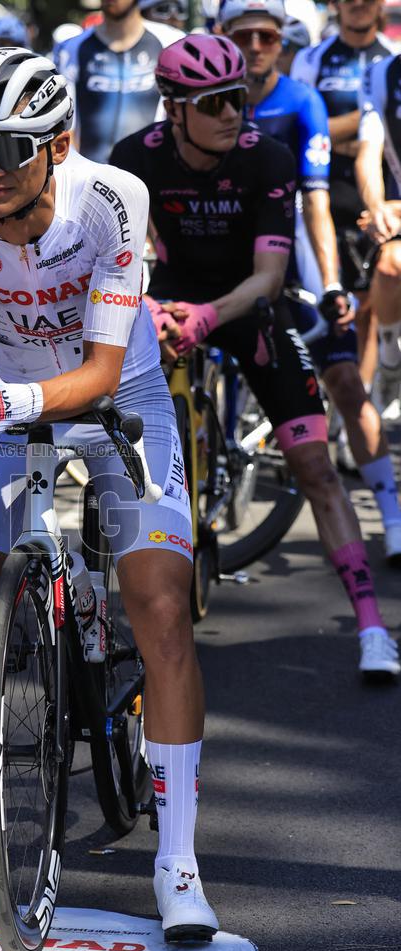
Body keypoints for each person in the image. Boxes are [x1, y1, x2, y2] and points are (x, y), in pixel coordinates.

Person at [0, 47, 220, 943]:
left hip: (123, 407)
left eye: (7, 147)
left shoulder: (111, 198)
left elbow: (106, 369)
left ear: (58, 142)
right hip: (10, 407)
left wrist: (9, 397)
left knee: (158, 607)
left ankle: (177, 862)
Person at [110, 34, 400, 672]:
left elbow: (268, 278)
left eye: (236, 98)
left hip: (248, 304)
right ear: (174, 108)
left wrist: (212, 314)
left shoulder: (266, 158)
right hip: (167, 300)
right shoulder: (134, 158)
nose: (232, 114)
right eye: (213, 104)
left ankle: (373, 627)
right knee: (108, 441)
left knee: (316, 466)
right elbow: (121, 260)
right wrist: (151, 308)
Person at [218, 0, 401, 561]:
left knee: (345, 380)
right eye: (241, 36)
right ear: (222, 36)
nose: (253, 48)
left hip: (292, 245)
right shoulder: (190, 96)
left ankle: (393, 517)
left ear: (282, 42)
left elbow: (315, 199)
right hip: (219, 251)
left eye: (266, 37)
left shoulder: (301, 100)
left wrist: (330, 283)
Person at [291, 0, 396, 402]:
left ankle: (361, 395)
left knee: (368, 304)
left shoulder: (391, 59)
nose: (357, 4)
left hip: (374, 193)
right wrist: (367, 120)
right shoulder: (311, 57)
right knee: (327, 302)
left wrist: (337, 132)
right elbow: (304, 124)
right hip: (322, 192)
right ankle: (325, 394)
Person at [52, 0, 184, 163]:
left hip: (153, 173)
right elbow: (64, 125)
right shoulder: (72, 48)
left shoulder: (170, 42)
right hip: (92, 178)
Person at [356, 50, 401, 420]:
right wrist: (379, 206)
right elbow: (369, 152)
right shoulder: (382, 73)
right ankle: (390, 365)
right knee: (389, 266)